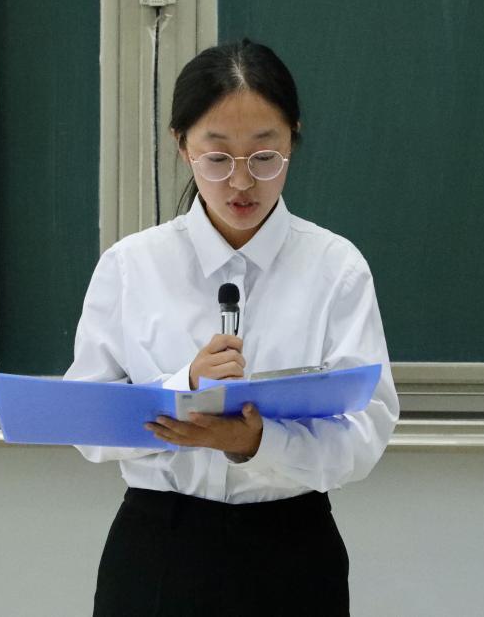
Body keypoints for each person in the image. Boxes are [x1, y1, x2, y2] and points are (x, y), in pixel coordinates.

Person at [65, 38, 399, 616]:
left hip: (291, 548)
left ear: (293, 138)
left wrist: (258, 443)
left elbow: (366, 432)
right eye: (217, 158)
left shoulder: (336, 268)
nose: (241, 182)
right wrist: (182, 388)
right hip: (161, 544)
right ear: (182, 146)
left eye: (264, 156)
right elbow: (84, 422)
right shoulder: (132, 265)